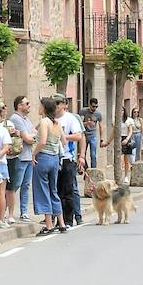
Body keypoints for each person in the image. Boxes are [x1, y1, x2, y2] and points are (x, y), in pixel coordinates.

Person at [32, 97, 66, 235]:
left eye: (40, 106)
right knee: (53, 190)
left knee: (42, 190)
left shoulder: (44, 122)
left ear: (44, 108)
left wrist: (34, 154)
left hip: (43, 157)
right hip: (54, 158)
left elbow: (42, 141)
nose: (38, 108)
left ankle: (49, 224)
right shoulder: (56, 123)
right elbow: (63, 141)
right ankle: (61, 222)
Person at [56, 97, 86, 227]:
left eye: (57, 103)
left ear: (64, 105)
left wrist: (63, 137)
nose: (55, 106)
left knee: (68, 190)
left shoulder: (70, 119)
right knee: (56, 190)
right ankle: (58, 219)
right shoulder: (50, 118)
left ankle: (69, 219)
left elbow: (79, 136)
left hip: (68, 157)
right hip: (53, 157)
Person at [7, 95, 36, 220]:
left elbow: (33, 133)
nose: (29, 105)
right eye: (27, 103)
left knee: (26, 185)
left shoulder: (26, 119)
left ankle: (24, 211)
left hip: (28, 156)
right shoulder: (16, 118)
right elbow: (29, 139)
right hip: (20, 156)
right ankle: (4, 209)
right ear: (20, 106)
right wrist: (33, 137)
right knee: (15, 185)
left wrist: (32, 136)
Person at [82, 97, 102, 169]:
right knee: (82, 154)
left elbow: (101, 126)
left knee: (93, 155)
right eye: (93, 106)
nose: (95, 108)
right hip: (84, 135)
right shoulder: (83, 111)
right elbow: (79, 124)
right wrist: (87, 123)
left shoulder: (98, 114)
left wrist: (101, 139)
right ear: (89, 105)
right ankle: (86, 170)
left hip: (93, 135)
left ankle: (93, 170)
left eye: (96, 107)